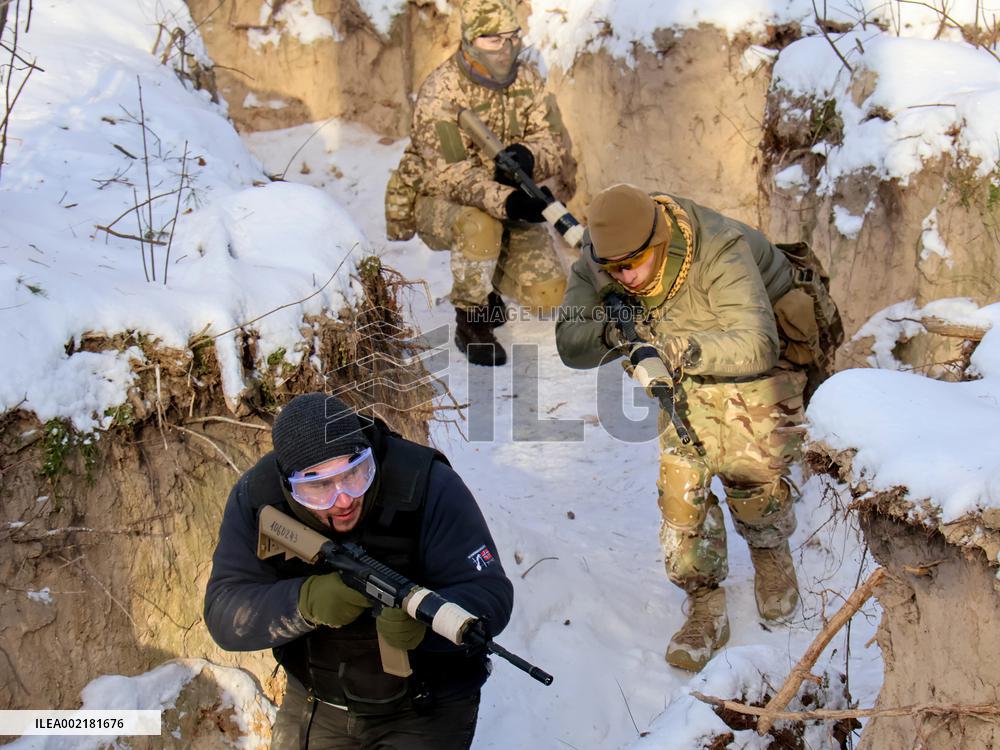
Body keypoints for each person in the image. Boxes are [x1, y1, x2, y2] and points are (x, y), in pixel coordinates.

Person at [555, 184, 839, 672]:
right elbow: (569, 343)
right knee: (683, 480)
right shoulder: (600, 257)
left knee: (750, 462)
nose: (622, 276)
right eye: (612, 268)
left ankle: (770, 551)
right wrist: (614, 332)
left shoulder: (718, 247)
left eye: (632, 265)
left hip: (763, 346)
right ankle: (704, 598)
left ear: (660, 244)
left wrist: (676, 349)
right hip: (680, 360)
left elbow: (756, 343)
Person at [204, 393, 513, 748]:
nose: (344, 498)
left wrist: (426, 625)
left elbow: (491, 593)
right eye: (318, 487)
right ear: (290, 486)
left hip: (428, 706)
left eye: (355, 473)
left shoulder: (428, 484)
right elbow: (225, 612)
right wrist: (304, 602)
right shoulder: (258, 497)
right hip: (317, 704)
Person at [384, 0, 573, 367]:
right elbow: (452, 176)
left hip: (505, 199)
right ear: (470, 41)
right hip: (442, 203)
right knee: (480, 225)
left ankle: (489, 281)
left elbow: (553, 143)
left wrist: (530, 156)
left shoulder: (528, 78)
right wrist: (510, 202)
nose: (506, 48)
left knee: (549, 295)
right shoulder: (441, 91)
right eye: (492, 40)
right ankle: (471, 317)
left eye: (512, 37)